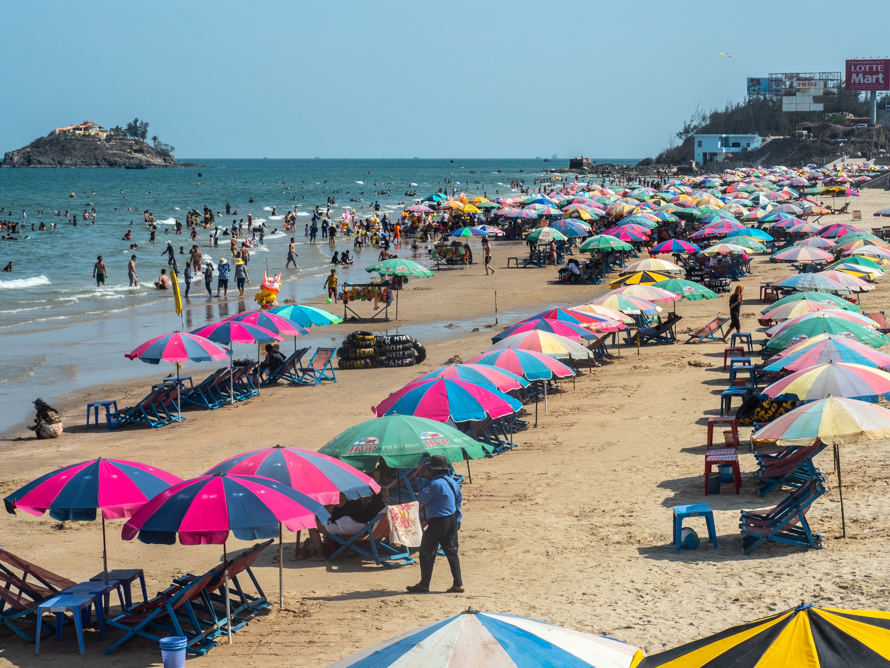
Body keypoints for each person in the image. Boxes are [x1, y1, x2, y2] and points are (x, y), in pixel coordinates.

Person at [407, 455, 463, 593]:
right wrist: (457, 518)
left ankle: (424, 585)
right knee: (452, 551)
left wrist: (426, 480)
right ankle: (458, 584)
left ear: (433, 471)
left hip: (439, 521)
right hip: (451, 519)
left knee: (426, 551)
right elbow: (458, 500)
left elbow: (421, 497)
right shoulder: (452, 482)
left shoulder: (435, 484)